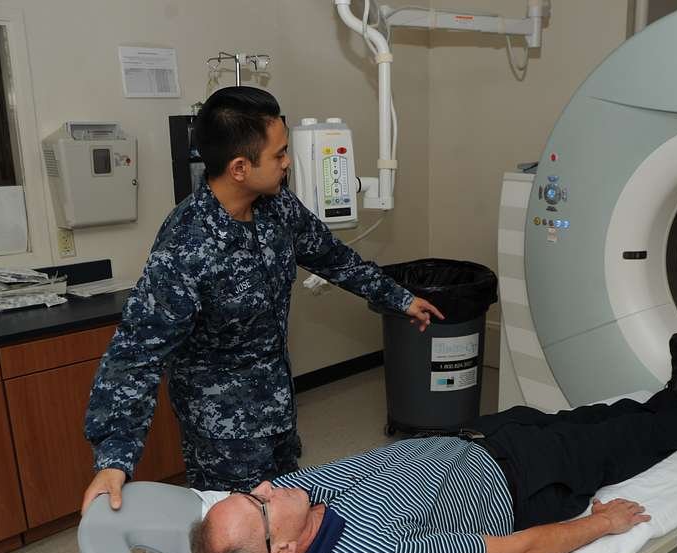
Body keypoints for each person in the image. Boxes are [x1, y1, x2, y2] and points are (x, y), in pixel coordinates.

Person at [82, 87, 443, 514]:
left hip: (278, 406)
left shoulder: (277, 207)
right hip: (223, 433)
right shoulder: (187, 247)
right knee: (239, 533)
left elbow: (332, 256)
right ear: (239, 167)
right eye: (279, 154)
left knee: (288, 518)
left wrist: (397, 298)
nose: (288, 162)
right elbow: (136, 355)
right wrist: (114, 459)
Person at [190, 335, 677, 553]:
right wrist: (601, 525)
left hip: (478, 437)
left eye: (251, 490)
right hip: (525, 482)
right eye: (259, 503)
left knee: (590, 417)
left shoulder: (294, 503)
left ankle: (672, 395)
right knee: (624, 442)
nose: (267, 486)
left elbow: (241, 532)